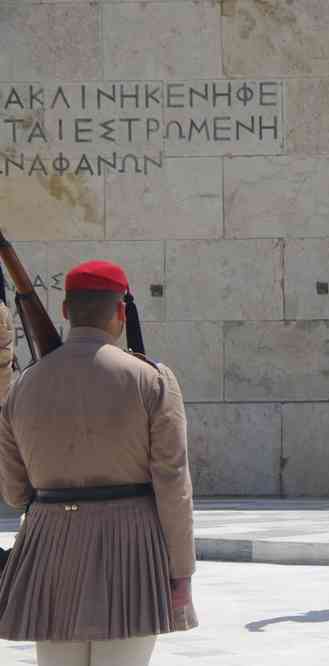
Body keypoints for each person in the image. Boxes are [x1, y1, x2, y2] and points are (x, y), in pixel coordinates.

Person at [0, 260, 197, 665]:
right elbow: (172, 485)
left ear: (66, 312)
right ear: (121, 312)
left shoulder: (23, 386)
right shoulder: (152, 380)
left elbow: (16, 492)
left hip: (49, 544)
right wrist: (181, 574)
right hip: (131, 543)